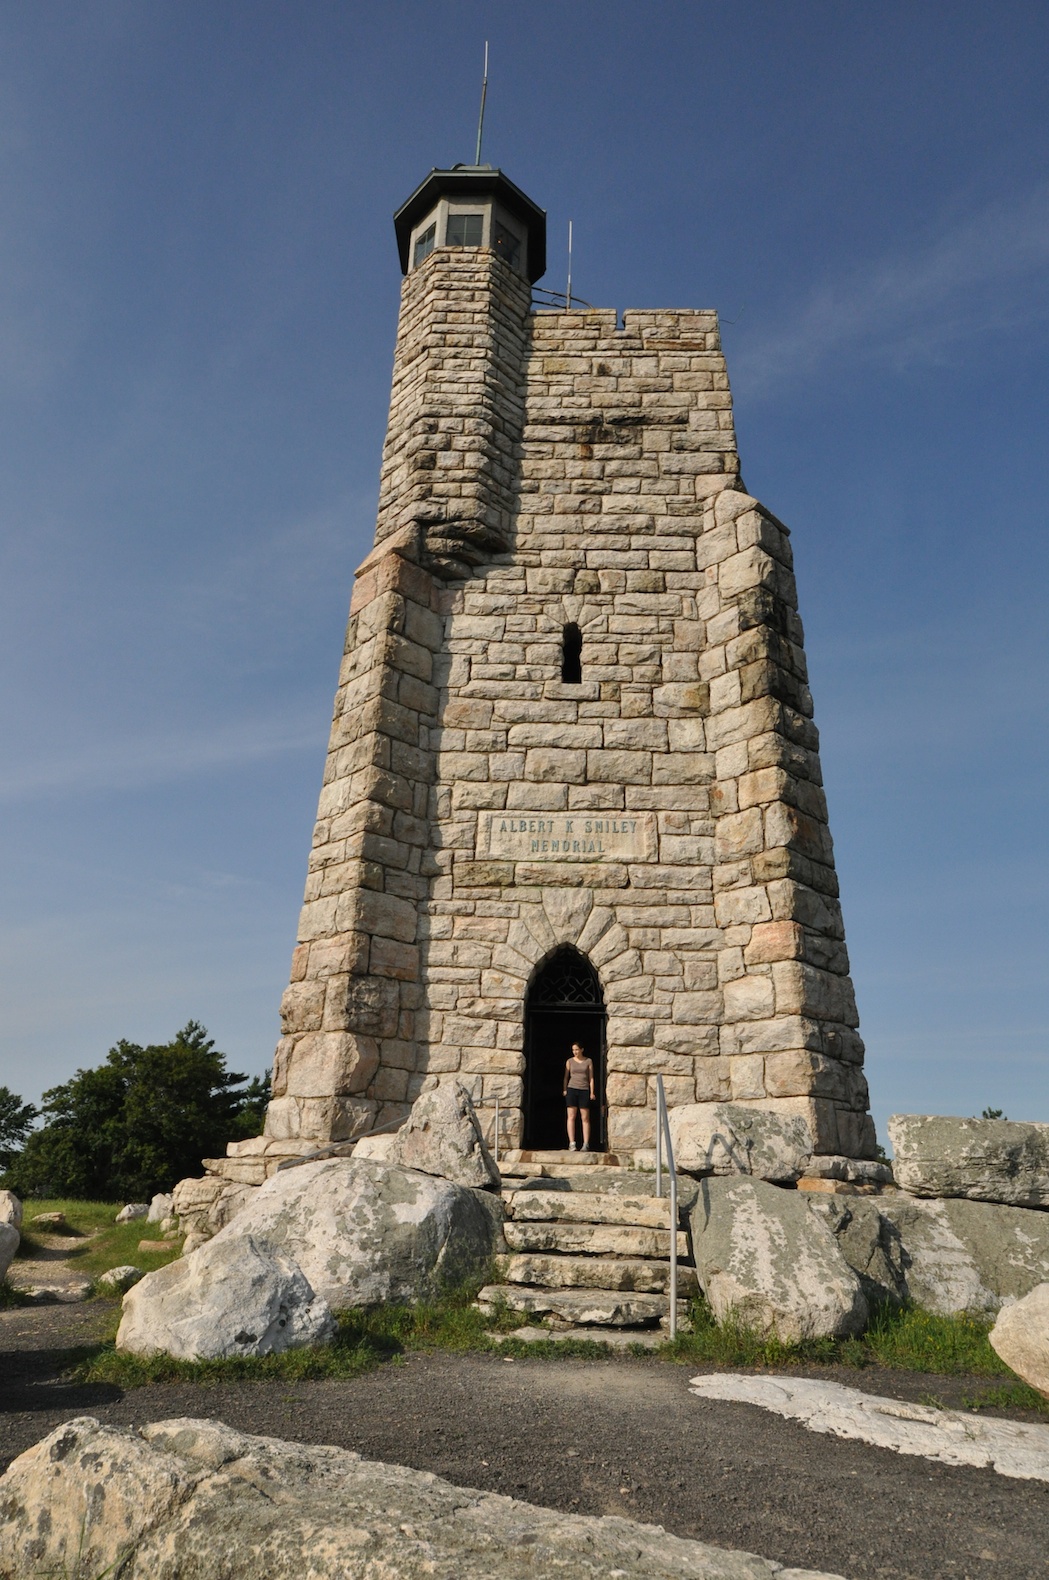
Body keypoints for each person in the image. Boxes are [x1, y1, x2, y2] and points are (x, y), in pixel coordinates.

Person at [563, 1042, 596, 1152]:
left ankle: (586, 1143)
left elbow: (591, 1077)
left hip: (584, 1089)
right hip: (572, 1089)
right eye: (573, 1050)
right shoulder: (569, 1061)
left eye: (577, 1049)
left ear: (582, 1049)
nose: (575, 1052)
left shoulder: (588, 1061)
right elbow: (566, 1077)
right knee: (571, 1116)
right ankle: (572, 1143)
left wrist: (592, 1092)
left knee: (585, 1118)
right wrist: (565, 1089)